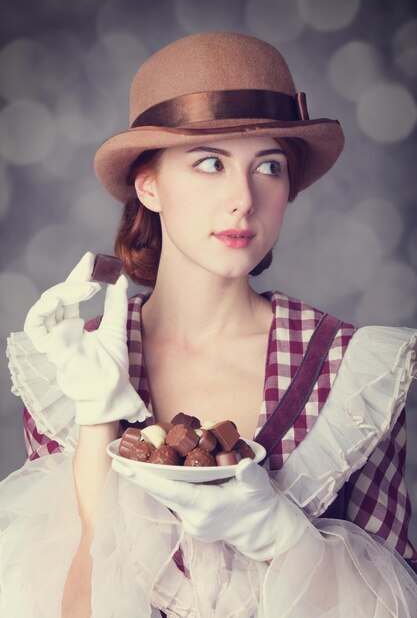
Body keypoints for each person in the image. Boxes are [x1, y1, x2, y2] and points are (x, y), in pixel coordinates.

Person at [2, 31, 417, 618]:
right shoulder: (75, 368)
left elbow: (395, 603)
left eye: (268, 166)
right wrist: (97, 418)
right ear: (148, 184)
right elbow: (74, 608)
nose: (243, 199)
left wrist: (285, 540)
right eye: (210, 163)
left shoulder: (355, 373)